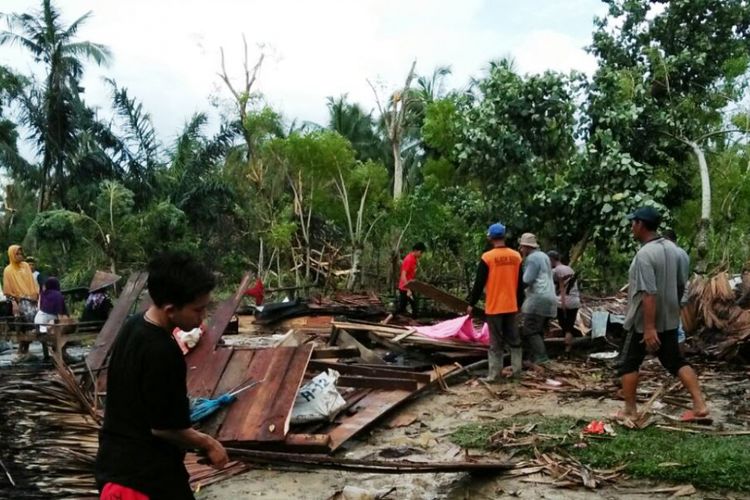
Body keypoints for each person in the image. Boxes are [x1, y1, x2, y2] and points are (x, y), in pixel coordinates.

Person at [95, 252, 228, 499]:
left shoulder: (133, 326)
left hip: (116, 470)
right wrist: (208, 443)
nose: (203, 317)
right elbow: (164, 428)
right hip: (143, 482)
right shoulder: (163, 352)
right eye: (198, 309)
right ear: (170, 309)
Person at [618, 207, 708, 421]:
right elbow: (680, 285)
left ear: (640, 224)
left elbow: (649, 293)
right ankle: (700, 405)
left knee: (629, 362)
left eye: (633, 223)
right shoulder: (675, 250)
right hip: (669, 318)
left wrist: (649, 328)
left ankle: (630, 410)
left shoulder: (644, 254)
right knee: (675, 361)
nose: (632, 227)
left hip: (643, 321)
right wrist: (673, 313)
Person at [467, 223, 523, 381]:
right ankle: (517, 371)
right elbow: (520, 284)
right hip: (511, 305)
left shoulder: (487, 257)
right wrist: (519, 303)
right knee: (514, 339)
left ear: (490, 238)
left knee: (496, 342)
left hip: (494, 306)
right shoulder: (516, 256)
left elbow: (479, 283)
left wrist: (471, 303)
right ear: (504, 236)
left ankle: (494, 374)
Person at [518, 233, 556, 365]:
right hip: (549, 297)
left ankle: (542, 358)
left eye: (522, 247)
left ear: (527, 247)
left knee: (530, 328)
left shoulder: (532, 258)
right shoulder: (544, 256)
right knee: (538, 329)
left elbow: (527, 279)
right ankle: (536, 357)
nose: (521, 250)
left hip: (538, 298)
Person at [3, 245, 40, 357]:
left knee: (35, 325)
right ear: (12, 255)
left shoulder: (25, 266)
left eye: (21, 253)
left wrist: (35, 295)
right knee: (23, 326)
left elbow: (32, 282)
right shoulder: (8, 270)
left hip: (31, 300)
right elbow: (8, 291)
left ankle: (25, 350)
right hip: (18, 301)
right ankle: (21, 350)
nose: (20, 256)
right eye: (17, 254)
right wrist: (14, 303)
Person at [547, 251, 581, 353]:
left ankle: (567, 348)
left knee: (565, 326)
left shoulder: (555, 271)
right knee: (569, 325)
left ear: (552, 259)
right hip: (575, 301)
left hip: (563, 301)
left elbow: (560, 288)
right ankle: (569, 345)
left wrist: (563, 303)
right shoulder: (569, 269)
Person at [395, 242, 426, 316]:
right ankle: (387, 319)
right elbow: (403, 275)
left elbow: (410, 273)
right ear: (416, 250)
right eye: (421, 252)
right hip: (404, 288)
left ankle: (414, 322)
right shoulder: (409, 259)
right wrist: (408, 290)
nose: (421, 254)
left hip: (409, 286)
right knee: (402, 308)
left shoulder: (414, 259)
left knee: (413, 306)